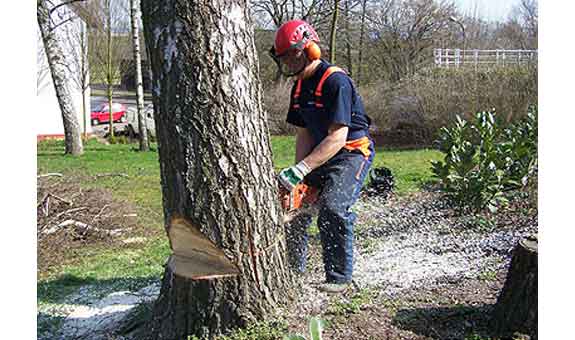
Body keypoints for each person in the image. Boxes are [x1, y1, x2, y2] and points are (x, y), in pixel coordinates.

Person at [270, 19, 375, 293]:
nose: (288, 62)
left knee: (332, 208)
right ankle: (293, 270)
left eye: (291, 55)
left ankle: (339, 278)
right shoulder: (299, 87)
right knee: (293, 207)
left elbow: (338, 136)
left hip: (351, 153)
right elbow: (304, 132)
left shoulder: (335, 81)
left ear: (309, 49)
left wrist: (303, 167)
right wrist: (297, 174)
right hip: (320, 154)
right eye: (284, 57)